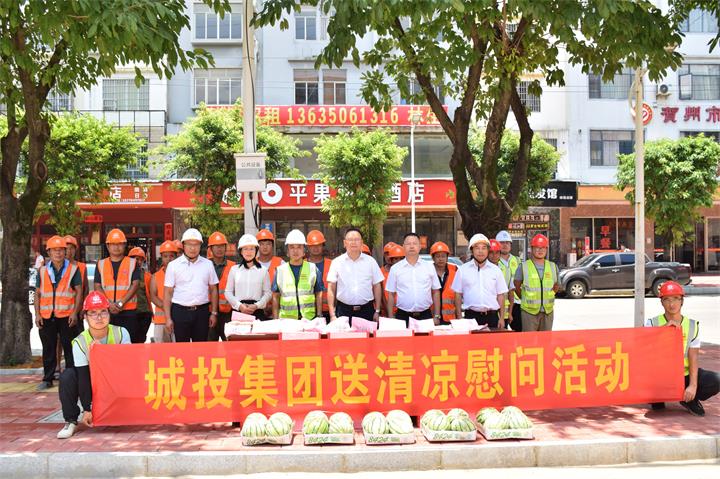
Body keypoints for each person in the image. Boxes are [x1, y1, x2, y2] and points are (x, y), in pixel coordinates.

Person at [56, 291, 130, 439]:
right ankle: (71, 421)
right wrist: (87, 409)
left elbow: (127, 367)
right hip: (92, 382)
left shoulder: (121, 333)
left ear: (109, 313)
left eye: (103, 312)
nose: (99, 317)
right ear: (85, 317)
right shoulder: (79, 342)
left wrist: (103, 354)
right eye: (93, 313)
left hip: (115, 381)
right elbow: (83, 376)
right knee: (67, 376)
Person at [646, 281, 719, 417]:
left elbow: (693, 357)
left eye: (676, 299)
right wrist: (663, 331)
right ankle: (659, 397)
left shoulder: (692, 325)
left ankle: (689, 399)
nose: (671, 304)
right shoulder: (652, 323)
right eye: (667, 299)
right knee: (654, 401)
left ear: (682, 301)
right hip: (660, 376)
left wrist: (693, 386)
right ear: (661, 302)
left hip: (683, 375)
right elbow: (645, 349)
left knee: (716, 380)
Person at [35, 236, 83, 390]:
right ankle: (47, 379)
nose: (58, 253)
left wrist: (75, 312)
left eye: (61, 250)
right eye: (54, 250)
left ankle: (71, 378)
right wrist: (37, 314)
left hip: (67, 315)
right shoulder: (42, 270)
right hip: (47, 316)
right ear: (48, 252)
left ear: (65, 252)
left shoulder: (73, 269)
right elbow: (37, 294)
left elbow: (79, 291)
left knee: (70, 348)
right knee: (48, 348)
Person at [163, 228, 219, 342]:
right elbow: (167, 293)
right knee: (182, 348)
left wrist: (214, 313)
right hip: (180, 312)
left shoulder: (208, 264)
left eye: (196, 244)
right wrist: (168, 318)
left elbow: (213, 289)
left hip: (202, 312)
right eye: (189, 244)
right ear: (183, 245)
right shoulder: (173, 266)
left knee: (201, 347)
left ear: (200, 246)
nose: (193, 248)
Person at [326, 228, 384, 325]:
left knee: (367, 335)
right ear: (345, 243)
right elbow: (331, 288)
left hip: (366, 311)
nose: (353, 242)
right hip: (343, 311)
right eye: (350, 239)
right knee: (344, 335)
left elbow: (377, 286)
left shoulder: (371, 262)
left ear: (361, 243)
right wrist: (332, 315)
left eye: (357, 239)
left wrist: (377, 311)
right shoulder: (337, 262)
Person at [451, 233, 508, 328]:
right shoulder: (462, 270)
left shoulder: (496, 270)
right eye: (477, 248)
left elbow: (501, 296)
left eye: (484, 248)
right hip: (470, 317)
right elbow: (458, 295)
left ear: (488, 250)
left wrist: (502, 318)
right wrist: (459, 317)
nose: (480, 251)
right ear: (472, 250)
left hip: (492, 317)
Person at [94, 228, 140, 341]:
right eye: (113, 244)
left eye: (119, 244)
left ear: (124, 245)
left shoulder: (132, 263)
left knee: (127, 342)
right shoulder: (101, 264)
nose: (116, 247)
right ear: (108, 246)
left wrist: (120, 303)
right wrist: (109, 304)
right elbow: (97, 286)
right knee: (108, 343)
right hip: (106, 311)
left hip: (128, 311)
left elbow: (135, 285)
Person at [386, 233, 441, 325]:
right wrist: (391, 317)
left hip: (425, 315)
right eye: (408, 244)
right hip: (403, 316)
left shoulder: (429, 267)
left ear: (420, 246)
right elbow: (391, 294)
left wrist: (437, 315)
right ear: (403, 247)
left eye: (415, 243)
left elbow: (436, 292)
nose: (411, 246)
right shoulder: (395, 269)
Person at [272, 229, 323, 319]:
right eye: (292, 247)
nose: (295, 251)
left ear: (304, 250)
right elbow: (275, 297)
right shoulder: (280, 271)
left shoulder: (313, 269)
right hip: (286, 321)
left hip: (309, 320)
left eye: (299, 247)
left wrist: (319, 315)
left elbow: (318, 293)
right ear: (287, 251)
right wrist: (275, 320)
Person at [514, 234, 559, 332]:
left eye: (543, 247)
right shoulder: (523, 267)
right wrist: (525, 298)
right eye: (537, 247)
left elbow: (556, 286)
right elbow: (516, 287)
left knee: (546, 340)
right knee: (529, 340)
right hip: (529, 313)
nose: (540, 250)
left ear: (546, 249)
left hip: (547, 312)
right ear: (532, 249)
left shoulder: (553, 266)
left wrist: (548, 296)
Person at [225, 234, 272, 321]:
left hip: (257, 311)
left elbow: (268, 293)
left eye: (251, 249)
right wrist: (239, 306)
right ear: (241, 251)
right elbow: (228, 292)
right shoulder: (234, 270)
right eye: (245, 249)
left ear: (256, 250)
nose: (248, 252)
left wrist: (256, 305)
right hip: (239, 311)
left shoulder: (263, 270)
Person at [207, 231, 236, 341]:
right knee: (209, 346)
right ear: (211, 248)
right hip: (208, 313)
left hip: (228, 314)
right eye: (216, 246)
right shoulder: (204, 266)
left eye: (222, 246)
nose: (219, 249)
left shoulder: (234, 267)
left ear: (225, 247)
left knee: (230, 345)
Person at [148, 240, 179, 343]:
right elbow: (153, 297)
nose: (169, 259)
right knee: (160, 350)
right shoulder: (155, 276)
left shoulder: (182, 275)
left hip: (178, 319)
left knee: (179, 348)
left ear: (176, 257)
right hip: (161, 321)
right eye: (165, 256)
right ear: (161, 257)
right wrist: (166, 307)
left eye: (171, 256)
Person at [496, 230, 522, 331]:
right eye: (502, 242)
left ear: (511, 245)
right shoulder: (494, 261)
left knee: (520, 332)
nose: (505, 245)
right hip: (500, 304)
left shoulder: (517, 260)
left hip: (517, 303)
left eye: (507, 242)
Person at [128, 247, 152, 344]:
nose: (137, 261)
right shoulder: (125, 275)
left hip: (144, 312)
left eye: (140, 259)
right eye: (135, 258)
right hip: (129, 312)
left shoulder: (147, 276)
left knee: (141, 339)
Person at [488, 239, 514, 329]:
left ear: (500, 254)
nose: (494, 255)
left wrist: (510, 313)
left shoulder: (506, 269)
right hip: (489, 312)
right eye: (491, 252)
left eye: (497, 252)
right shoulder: (482, 270)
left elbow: (511, 293)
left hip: (503, 314)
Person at [306, 230, 332, 321]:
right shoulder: (302, 265)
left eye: (319, 245)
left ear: (323, 246)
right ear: (308, 247)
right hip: (307, 311)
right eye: (312, 245)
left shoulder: (332, 264)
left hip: (328, 311)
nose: (316, 248)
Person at [430, 241, 458, 324]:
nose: (441, 259)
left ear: (447, 257)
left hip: (451, 319)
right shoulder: (428, 271)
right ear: (433, 258)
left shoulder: (455, 270)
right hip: (431, 318)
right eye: (438, 256)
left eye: (443, 256)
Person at [381, 244, 405, 317]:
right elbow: (381, 295)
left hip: (402, 311)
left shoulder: (407, 273)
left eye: (400, 258)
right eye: (387, 254)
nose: (388, 256)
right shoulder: (379, 272)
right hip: (385, 312)